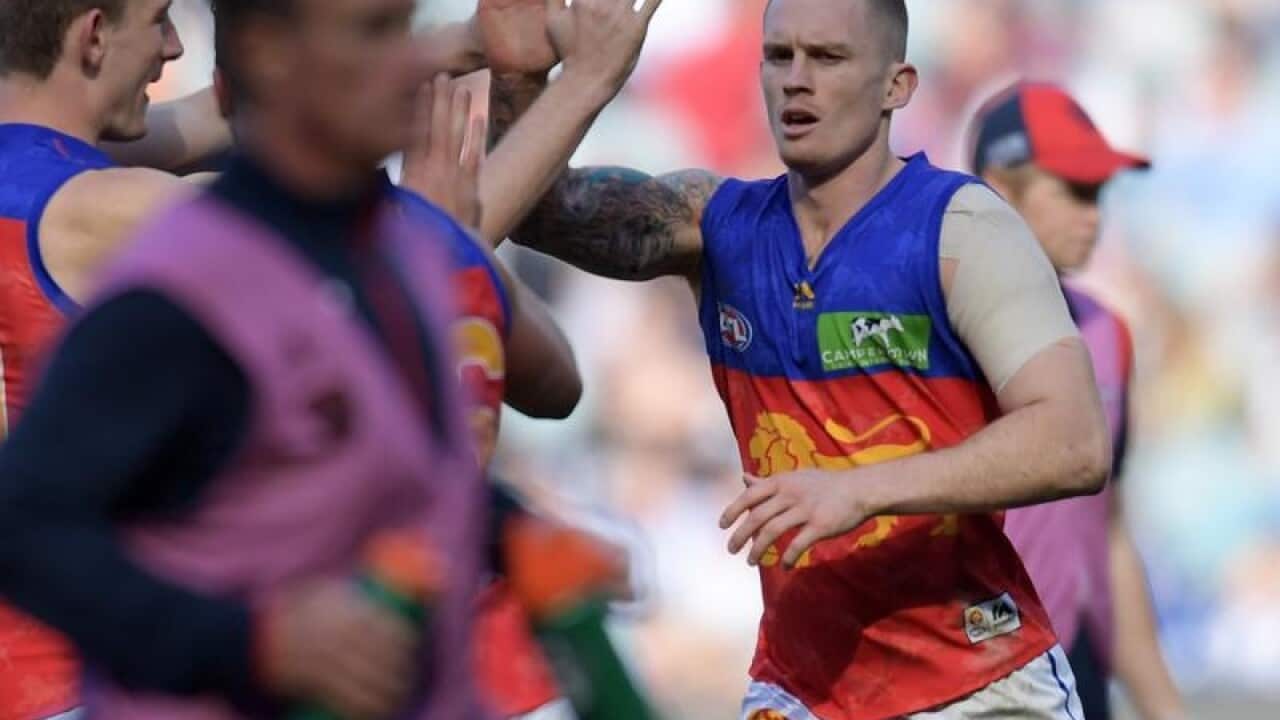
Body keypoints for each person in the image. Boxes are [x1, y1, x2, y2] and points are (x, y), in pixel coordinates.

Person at [489, 0, 1114, 718]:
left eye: (828, 58)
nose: (797, 80)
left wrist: (862, 488)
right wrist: (525, 73)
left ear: (897, 85)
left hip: (978, 684)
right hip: (800, 689)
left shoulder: (961, 229)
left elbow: (1075, 441)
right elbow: (534, 210)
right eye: (779, 56)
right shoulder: (713, 224)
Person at [0, 0, 498, 716]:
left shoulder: (76, 187)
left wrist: (466, 43)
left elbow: (225, 111)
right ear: (94, 33)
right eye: (160, 18)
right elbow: (500, 317)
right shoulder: (135, 215)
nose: (174, 47)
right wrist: (576, 89)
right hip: (89, 672)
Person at [970, 82, 1188, 720]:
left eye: (1099, 194)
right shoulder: (931, 339)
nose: (1094, 214)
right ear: (997, 189)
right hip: (965, 678)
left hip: (1073, 672)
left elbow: (1106, 533)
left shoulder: (1107, 336)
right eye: (1074, 191)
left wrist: (1163, 706)